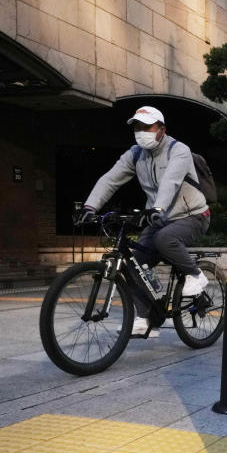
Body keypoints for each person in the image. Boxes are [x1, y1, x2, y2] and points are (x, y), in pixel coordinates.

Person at [75, 106, 210, 338]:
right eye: (137, 127)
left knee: (164, 238)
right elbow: (110, 179)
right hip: (160, 218)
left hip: (193, 215)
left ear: (161, 130)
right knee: (134, 264)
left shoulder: (179, 150)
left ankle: (196, 275)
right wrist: (90, 206)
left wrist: (156, 208)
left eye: (147, 126)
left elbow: (171, 181)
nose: (141, 131)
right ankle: (146, 317)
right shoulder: (135, 154)